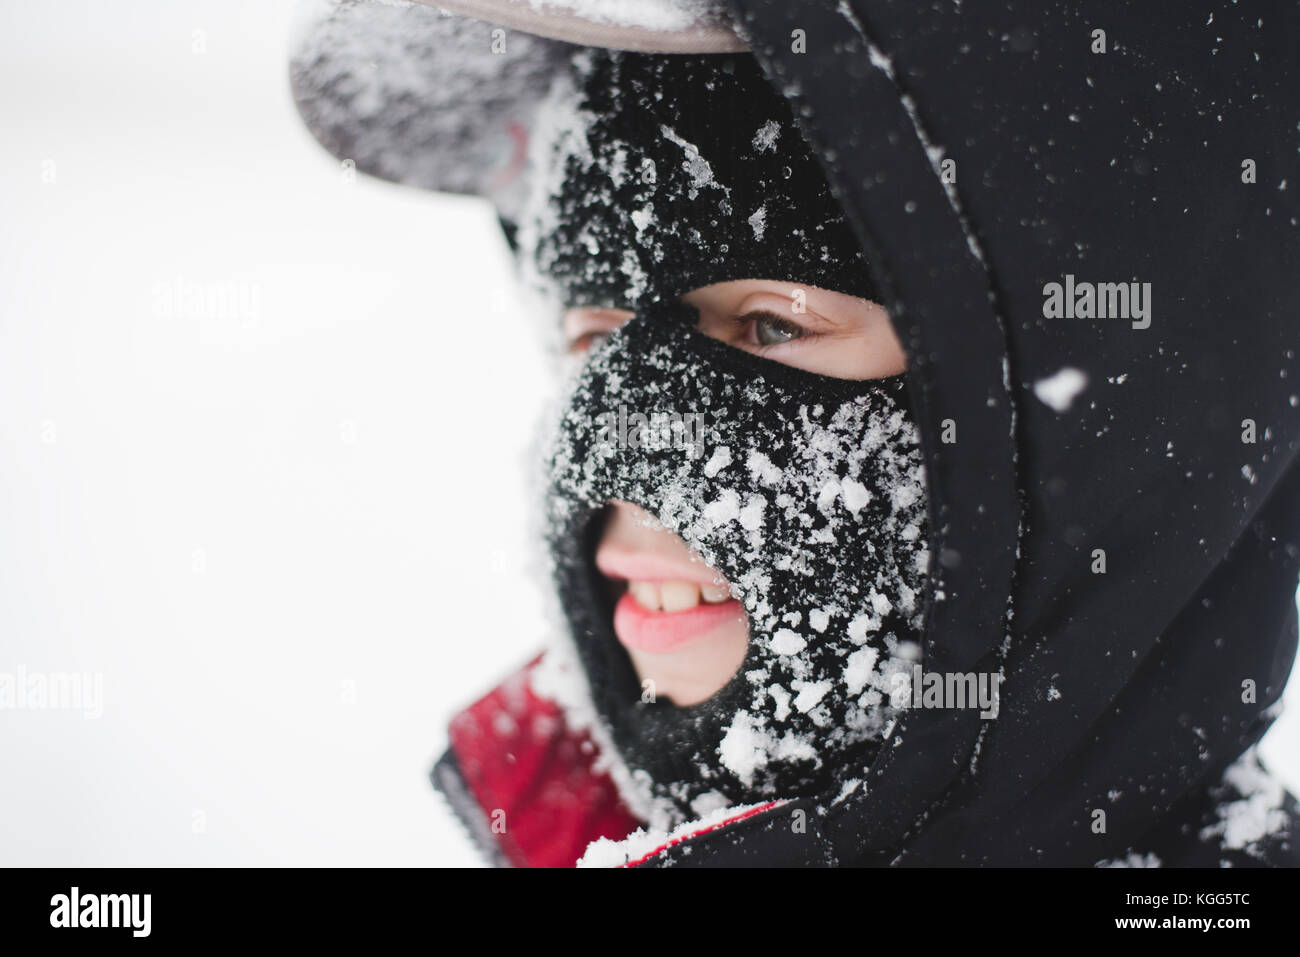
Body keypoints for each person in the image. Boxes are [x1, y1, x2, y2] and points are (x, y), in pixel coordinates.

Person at [291, 0, 1300, 867]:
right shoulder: (560, 813)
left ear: (1089, 426)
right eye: (593, 337)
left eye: (774, 326)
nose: (623, 443)